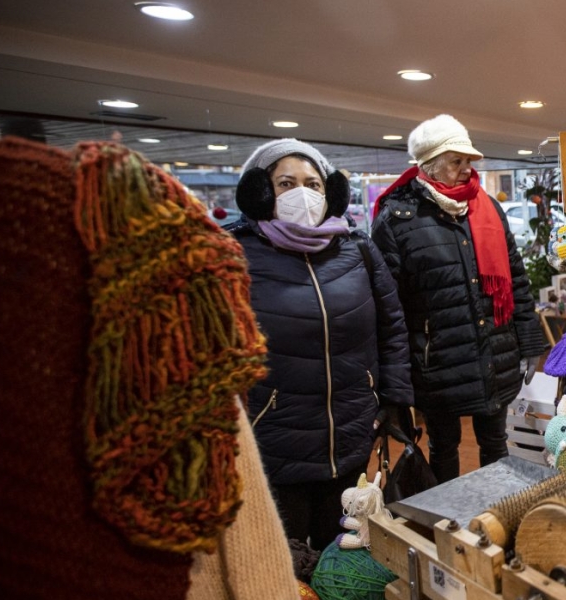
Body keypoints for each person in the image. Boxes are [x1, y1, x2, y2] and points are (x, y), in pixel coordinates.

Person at [228, 138, 412, 549]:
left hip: (350, 431)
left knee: (344, 547)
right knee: (284, 558)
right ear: (259, 192)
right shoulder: (235, 254)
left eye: (313, 184)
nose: (303, 194)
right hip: (275, 440)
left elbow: (392, 326)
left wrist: (393, 399)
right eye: (286, 183)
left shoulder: (356, 248)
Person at [372, 115, 548, 483]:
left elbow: (516, 279)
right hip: (437, 361)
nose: (467, 170)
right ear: (429, 165)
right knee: (443, 446)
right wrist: (395, 375)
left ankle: (494, 517)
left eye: (469, 161)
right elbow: (388, 305)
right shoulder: (397, 218)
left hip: (494, 352)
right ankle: (446, 522)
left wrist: (529, 342)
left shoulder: (486, 208)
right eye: (456, 161)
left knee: (495, 441)